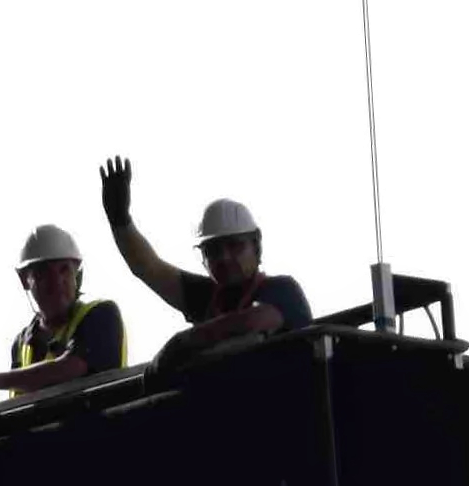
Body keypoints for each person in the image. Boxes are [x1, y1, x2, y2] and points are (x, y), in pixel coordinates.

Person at [97, 157, 311, 368]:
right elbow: (148, 267)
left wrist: (184, 341)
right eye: (213, 251)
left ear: (256, 246)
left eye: (235, 246)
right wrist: (120, 220)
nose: (224, 258)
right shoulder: (206, 297)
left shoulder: (282, 290)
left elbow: (255, 322)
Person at [0, 226, 127, 417]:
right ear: (24, 280)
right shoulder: (21, 344)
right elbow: (20, 409)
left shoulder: (101, 316)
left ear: (77, 274)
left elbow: (68, 368)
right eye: (43, 273)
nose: (56, 282)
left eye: (63, 270)